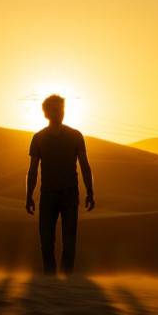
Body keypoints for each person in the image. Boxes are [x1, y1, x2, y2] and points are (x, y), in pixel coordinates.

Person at [25, 94, 95, 276]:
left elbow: (85, 165)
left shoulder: (75, 135)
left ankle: (67, 280)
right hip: (47, 194)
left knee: (69, 240)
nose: (60, 113)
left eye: (61, 109)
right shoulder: (38, 138)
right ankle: (50, 280)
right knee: (46, 240)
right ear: (46, 113)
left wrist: (90, 191)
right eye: (55, 110)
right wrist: (29, 195)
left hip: (69, 194)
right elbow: (32, 170)